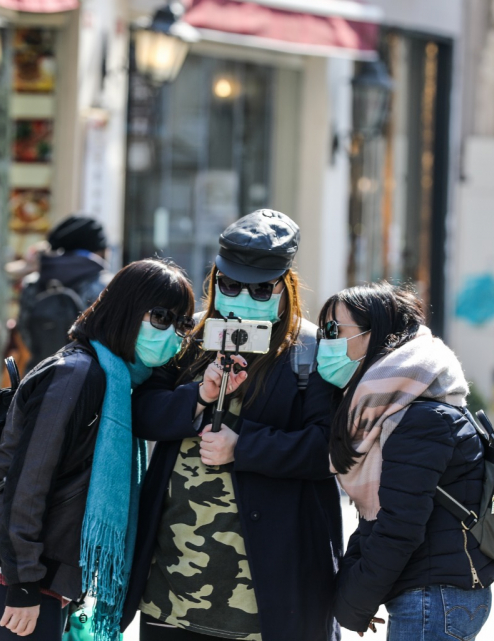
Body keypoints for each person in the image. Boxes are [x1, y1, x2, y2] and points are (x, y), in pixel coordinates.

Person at [120, 210, 343, 641]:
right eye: (230, 285)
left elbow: (327, 448)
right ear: (214, 279)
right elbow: (143, 413)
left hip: (267, 591)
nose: (242, 297)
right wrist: (198, 396)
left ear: (285, 287)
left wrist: (243, 447)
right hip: (173, 585)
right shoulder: (190, 337)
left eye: (261, 288)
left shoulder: (310, 351)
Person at [0, 258, 196, 641]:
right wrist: (24, 582)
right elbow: (29, 479)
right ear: (127, 309)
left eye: (182, 324)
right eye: (161, 317)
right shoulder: (76, 375)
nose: (173, 333)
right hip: (6, 558)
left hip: (39, 560)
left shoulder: (118, 379)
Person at [320, 283, 494, 640]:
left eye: (333, 331)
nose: (326, 344)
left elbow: (399, 527)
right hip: (435, 595)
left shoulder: (421, 419)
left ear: (376, 335)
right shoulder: (402, 407)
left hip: (434, 599)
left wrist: (353, 600)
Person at [17, 215, 114, 373]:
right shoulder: (106, 285)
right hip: (91, 378)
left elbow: (25, 334)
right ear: (99, 249)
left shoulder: (32, 283)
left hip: (38, 377)